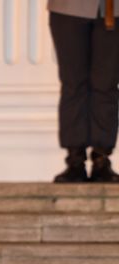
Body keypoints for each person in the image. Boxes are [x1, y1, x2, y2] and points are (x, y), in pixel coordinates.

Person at [48, 0, 119, 182]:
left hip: (113, 9)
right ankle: (75, 160)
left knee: (106, 85)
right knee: (73, 85)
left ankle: (101, 158)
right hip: (68, 9)